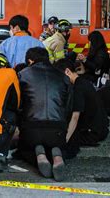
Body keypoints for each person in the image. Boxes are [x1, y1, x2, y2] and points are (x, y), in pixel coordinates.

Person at [17, 47, 72, 181]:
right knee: (57, 144)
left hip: (32, 129)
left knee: (24, 150)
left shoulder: (22, 74)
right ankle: (57, 156)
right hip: (57, 131)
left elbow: (18, 104)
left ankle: (39, 155)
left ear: (30, 61)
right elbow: (68, 107)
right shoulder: (63, 77)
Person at [55, 59, 109, 149]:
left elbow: (75, 117)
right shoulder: (84, 82)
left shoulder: (78, 88)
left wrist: (66, 139)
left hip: (92, 134)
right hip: (101, 129)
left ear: (67, 71)